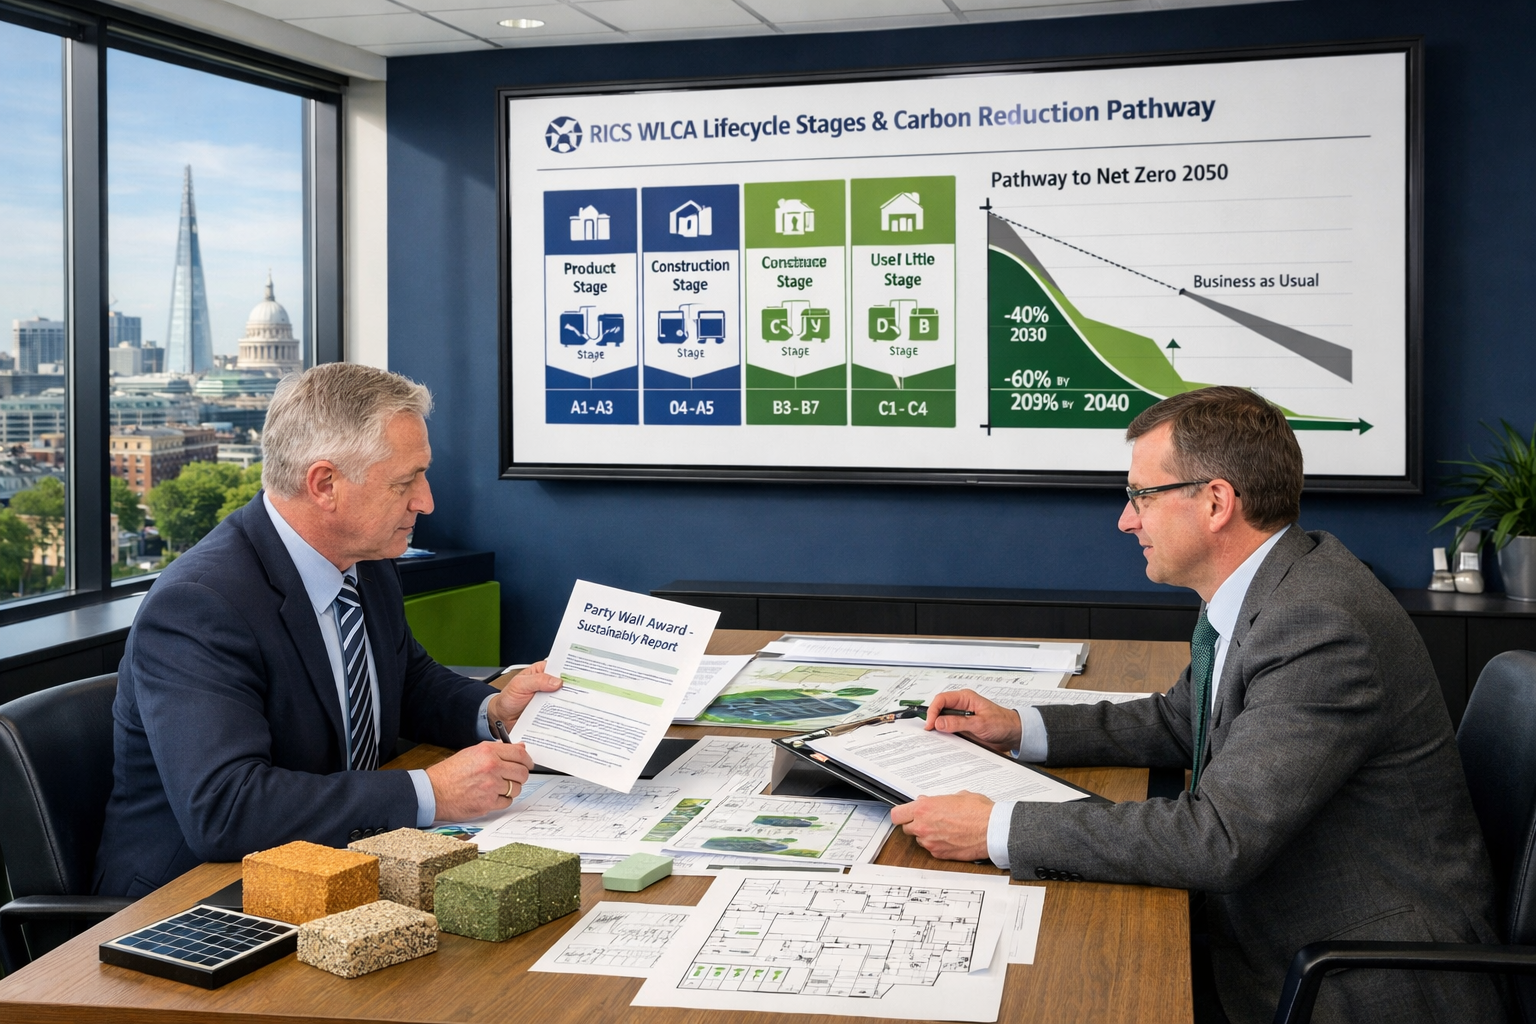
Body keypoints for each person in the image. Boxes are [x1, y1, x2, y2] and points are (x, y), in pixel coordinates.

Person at [890, 386, 1504, 1023]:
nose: (1127, 520)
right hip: (1275, 927)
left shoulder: (1319, 625)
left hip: (1352, 976)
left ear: (1216, 502)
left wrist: (996, 828)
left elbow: (1218, 839)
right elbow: (1183, 720)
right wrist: (1017, 726)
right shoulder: (1271, 587)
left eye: (1141, 496)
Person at [96, 363, 560, 898]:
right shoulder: (199, 605)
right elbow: (226, 808)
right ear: (324, 485)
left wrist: (493, 709)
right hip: (194, 902)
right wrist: (429, 792)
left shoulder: (364, 559)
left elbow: (405, 680)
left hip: (334, 867)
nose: (425, 501)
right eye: (406, 480)